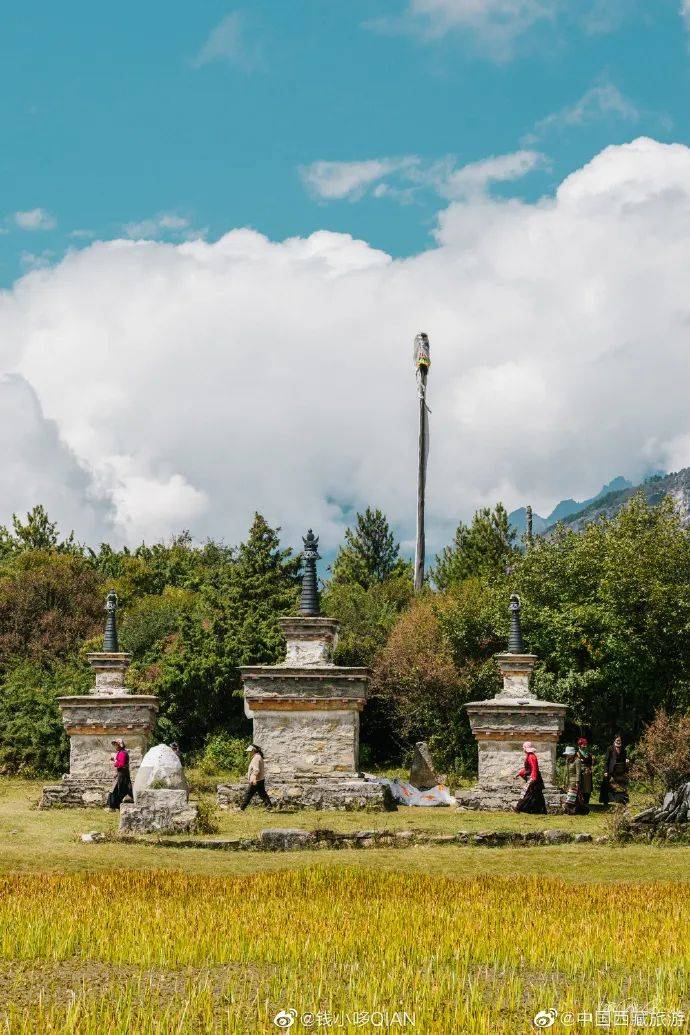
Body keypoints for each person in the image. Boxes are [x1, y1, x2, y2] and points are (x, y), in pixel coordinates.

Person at [514, 741, 547, 814]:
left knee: (527, 793)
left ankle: (518, 808)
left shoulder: (531, 757)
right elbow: (528, 769)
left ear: (525, 748)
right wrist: (519, 773)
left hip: (533, 778)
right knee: (537, 794)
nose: (523, 749)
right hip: (534, 777)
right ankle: (539, 811)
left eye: (524, 748)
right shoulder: (529, 756)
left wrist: (533, 778)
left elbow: (534, 768)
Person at [240, 745, 272, 811]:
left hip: (256, 780)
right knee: (262, 794)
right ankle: (269, 807)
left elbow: (256, 769)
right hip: (260, 779)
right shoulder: (258, 756)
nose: (249, 753)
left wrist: (254, 778)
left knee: (248, 794)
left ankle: (241, 808)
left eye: (250, 751)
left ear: (253, 751)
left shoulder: (256, 758)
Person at [599, 734, 628, 805]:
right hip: (611, 771)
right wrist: (605, 771)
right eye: (617, 740)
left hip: (620, 771)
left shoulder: (623, 749)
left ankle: (622, 801)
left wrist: (626, 761)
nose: (618, 742)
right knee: (607, 786)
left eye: (620, 740)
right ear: (614, 740)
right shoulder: (610, 748)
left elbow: (624, 759)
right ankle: (605, 801)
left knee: (621, 786)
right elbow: (606, 761)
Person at [106, 738, 133, 810]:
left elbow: (121, 764)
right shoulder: (121, 752)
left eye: (116, 744)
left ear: (120, 745)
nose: (115, 746)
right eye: (115, 745)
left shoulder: (122, 753)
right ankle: (116, 806)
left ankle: (112, 807)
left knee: (116, 789)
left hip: (122, 774)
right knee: (120, 789)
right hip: (121, 773)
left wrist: (115, 760)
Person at [562, 745, 589, 815]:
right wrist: (563, 781)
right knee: (574, 797)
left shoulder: (577, 761)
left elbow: (578, 772)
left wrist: (577, 782)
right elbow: (565, 771)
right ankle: (578, 810)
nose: (567, 755)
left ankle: (569, 811)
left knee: (570, 797)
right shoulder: (567, 760)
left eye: (568, 754)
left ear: (572, 754)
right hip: (568, 781)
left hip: (574, 781)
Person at [576, 737, 594, 805]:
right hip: (581, 771)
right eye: (583, 744)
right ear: (580, 745)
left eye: (585, 744)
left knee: (588, 788)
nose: (585, 746)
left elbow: (592, 762)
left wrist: (592, 766)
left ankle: (587, 801)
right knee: (582, 787)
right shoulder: (577, 753)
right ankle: (582, 802)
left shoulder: (589, 753)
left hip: (588, 772)